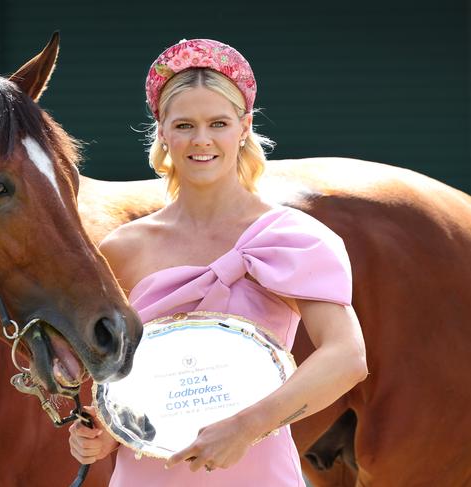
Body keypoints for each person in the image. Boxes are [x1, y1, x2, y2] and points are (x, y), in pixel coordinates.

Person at [69, 38, 368, 486]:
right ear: (163, 131)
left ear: (243, 127)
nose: (201, 140)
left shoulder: (291, 238)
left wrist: (246, 428)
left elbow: (347, 357)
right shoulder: (120, 250)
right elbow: (121, 384)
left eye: (219, 123)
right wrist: (103, 433)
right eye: (185, 124)